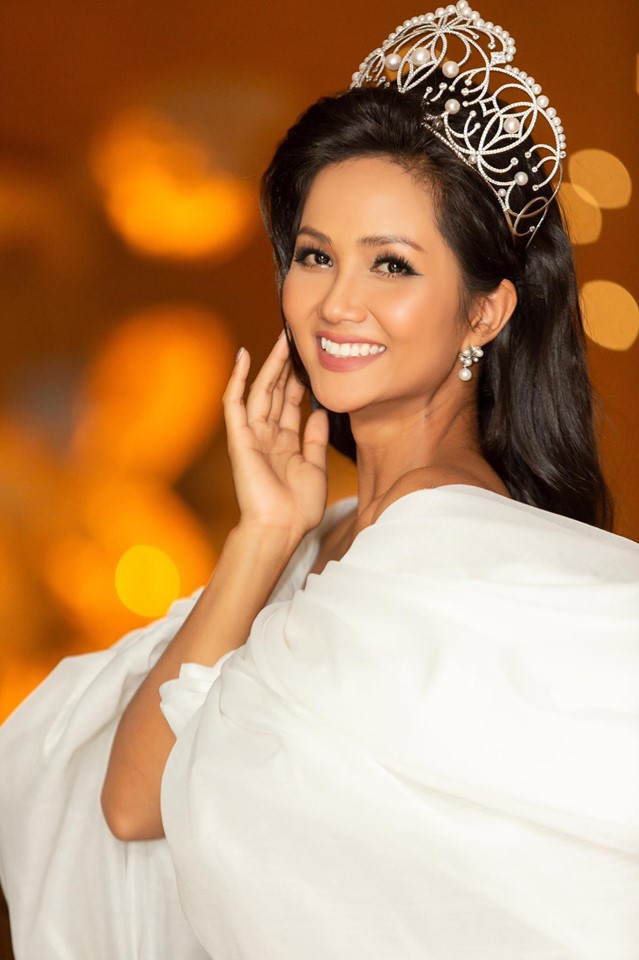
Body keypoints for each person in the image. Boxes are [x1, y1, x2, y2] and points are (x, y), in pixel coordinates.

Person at [1, 4, 638, 959]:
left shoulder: (466, 554)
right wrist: (263, 534)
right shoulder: (326, 532)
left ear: (484, 311)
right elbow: (132, 805)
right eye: (314, 255)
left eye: (391, 265)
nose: (338, 302)